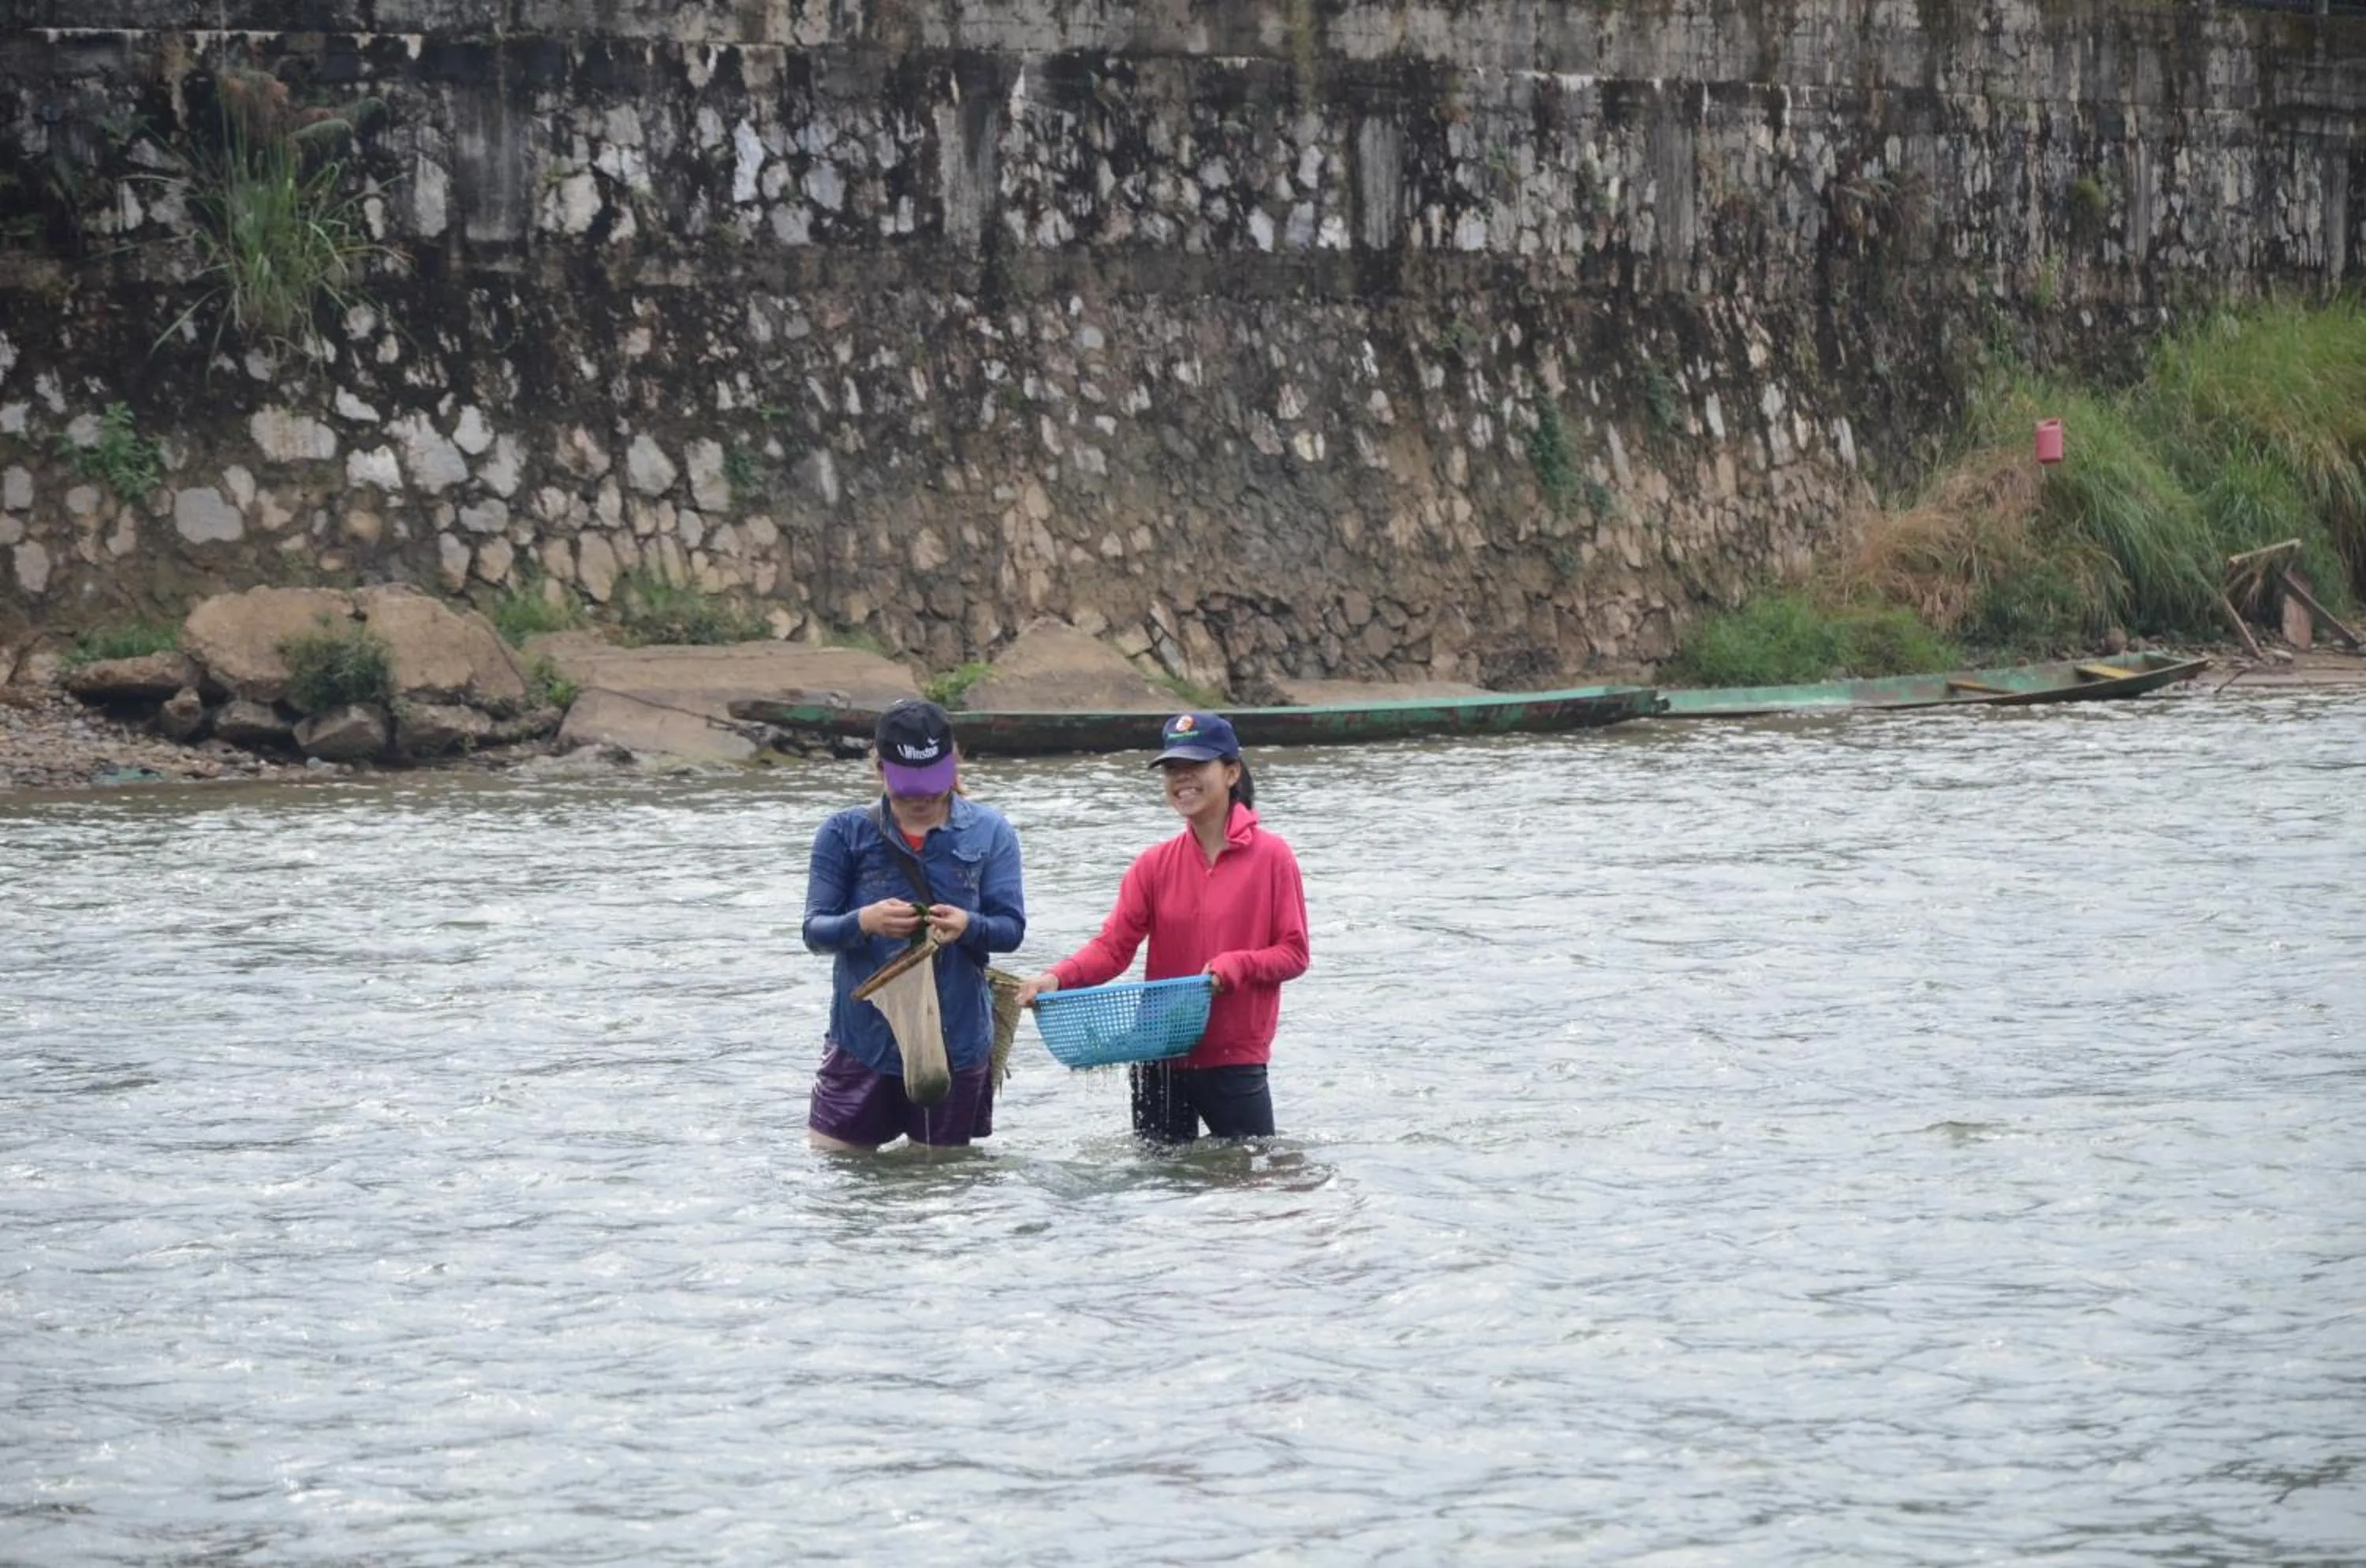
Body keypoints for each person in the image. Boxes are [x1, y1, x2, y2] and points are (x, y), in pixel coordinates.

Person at [1017, 712, 1308, 1141]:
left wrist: (1235, 966)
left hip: (1233, 1057)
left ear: (1231, 773)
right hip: (1157, 1054)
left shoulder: (1272, 857)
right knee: (1160, 1189)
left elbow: (1294, 953)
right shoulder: (1152, 865)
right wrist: (1055, 978)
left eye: (1196, 766)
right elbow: (1113, 948)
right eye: (1173, 768)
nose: (1182, 778)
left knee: (1252, 1187)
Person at [801, 697, 1026, 1152]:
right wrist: (864, 921)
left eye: (932, 786)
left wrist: (969, 925)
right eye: (908, 788)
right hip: (862, 1039)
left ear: (953, 762)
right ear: (880, 769)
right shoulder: (844, 833)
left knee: (943, 1186)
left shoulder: (990, 831)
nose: (922, 799)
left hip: (957, 1042)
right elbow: (814, 931)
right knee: (837, 1170)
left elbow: (1010, 930)